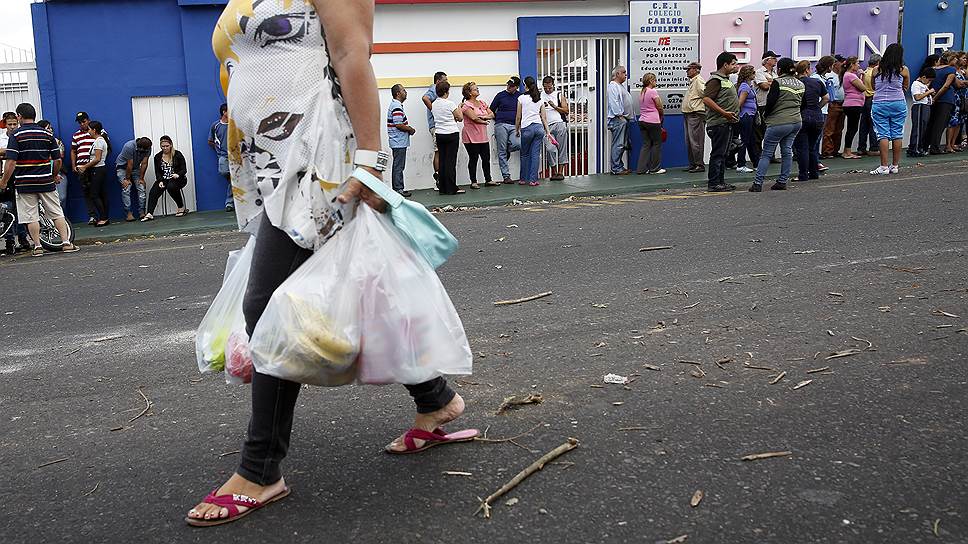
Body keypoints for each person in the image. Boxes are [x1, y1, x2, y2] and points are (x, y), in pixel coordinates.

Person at [193, 0, 472, 526]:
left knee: (268, 304)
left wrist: (369, 162)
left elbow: (351, 52)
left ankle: (260, 469)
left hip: (317, 154)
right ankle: (436, 401)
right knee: (360, 290)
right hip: (271, 157)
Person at [0, 103, 79, 256]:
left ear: (19, 116)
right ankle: (66, 242)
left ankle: (37, 247)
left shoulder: (16, 135)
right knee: (56, 212)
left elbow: (10, 162)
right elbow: (57, 160)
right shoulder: (48, 135)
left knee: (31, 216)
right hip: (46, 181)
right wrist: (54, 175)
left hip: (24, 182)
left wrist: (4, 181)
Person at [751, 58, 803, 191]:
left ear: (779, 69)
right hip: (796, 121)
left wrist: (765, 116)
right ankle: (782, 181)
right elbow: (804, 104)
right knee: (787, 151)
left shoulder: (778, 82)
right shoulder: (800, 83)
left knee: (767, 153)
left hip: (778, 122)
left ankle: (758, 183)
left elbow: (771, 101)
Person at [868, 43, 911, 175]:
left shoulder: (876, 69)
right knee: (897, 134)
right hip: (898, 102)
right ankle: (895, 165)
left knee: (883, 134)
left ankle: (883, 166)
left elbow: (873, 86)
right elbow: (906, 86)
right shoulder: (903, 70)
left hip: (880, 103)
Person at [703, 52, 741, 192]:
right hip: (720, 123)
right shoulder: (716, 80)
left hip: (726, 123)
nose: (736, 66)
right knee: (718, 153)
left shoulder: (726, 79)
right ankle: (714, 183)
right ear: (725, 65)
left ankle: (720, 182)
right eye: (733, 64)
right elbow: (707, 99)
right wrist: (724, 113)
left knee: (723, 153)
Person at [0, 111, 30, 253]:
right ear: (5, 125)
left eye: (14, 124)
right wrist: (10, 151)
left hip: (19, 175)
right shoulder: (2, 138)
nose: (12, 127)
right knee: (7, 209)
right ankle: (9, 241)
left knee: (20, 209)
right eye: (9, 124)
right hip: (6, 176)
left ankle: (23, 238)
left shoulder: (19, 136)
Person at [924, 51, 964, 155]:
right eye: (955, 59)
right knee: (940, 124)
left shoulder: (933, 69)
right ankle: (935, 148)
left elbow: (928, 83)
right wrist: (936, 98)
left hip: (932, 98)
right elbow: (947, 86)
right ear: (951, 60)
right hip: (946, 100)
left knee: (931, 123)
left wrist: (932, 96)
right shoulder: (951, 70)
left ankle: (924, 146)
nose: (957, 60)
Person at [516, 76, 553, 186]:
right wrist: (548, 132)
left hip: (526, 128)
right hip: (539, 128)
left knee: (524, 155)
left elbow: (518, 116)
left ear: (525, 85)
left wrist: (516, 129)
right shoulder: (539, 99)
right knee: (535, 155)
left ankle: (523, 179)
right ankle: (533, 180)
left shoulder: (521, 98)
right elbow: (544, 118)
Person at [794, 60, 828, 182]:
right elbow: (826, 98)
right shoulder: (817, 82)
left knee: (802, 147)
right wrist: (817, 107)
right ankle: (814, 172)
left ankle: (803, 174)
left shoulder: (796, 83)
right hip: (817, 116)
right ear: (807, 70)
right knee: (812, 146)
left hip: (802, 116)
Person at [460, 82, 497, 189]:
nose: (477, 90)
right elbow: (474, 118)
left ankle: (488, 179)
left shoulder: (481, 103)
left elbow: (492, 114)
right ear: (469, 92)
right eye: (475, 89)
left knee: (486, 158)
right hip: (471, 136)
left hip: (482, 136)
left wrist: (484, 118)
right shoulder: (466, 105)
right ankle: (473, 181)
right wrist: (484, 119)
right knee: (473, 158)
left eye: (477, 88)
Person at [142, 135, 187, 220]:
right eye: (163, 146)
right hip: (164, 179)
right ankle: (149, 213)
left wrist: (178, 174)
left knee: (171, 187)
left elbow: (184, 169)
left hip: (178, 178)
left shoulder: (177, 154)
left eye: (167, 146)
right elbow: (158, 172)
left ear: (171, 145)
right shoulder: (158, 157)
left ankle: (181, 207)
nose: (165, 148)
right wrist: (160, 181)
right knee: (154, 191)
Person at [432, 81, 464, 195]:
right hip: (451, 133)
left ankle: (443, 187)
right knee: (450, 162)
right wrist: (459, 107)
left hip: (439, 133)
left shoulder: (434, 104)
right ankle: (451, 188)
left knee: (442, 161)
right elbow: (460, 117)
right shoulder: (450, 104)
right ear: (446, 91)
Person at [490, 77, 522, 184]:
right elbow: (491, 109)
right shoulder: (500, 95)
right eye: (508, 85)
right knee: (501, 151)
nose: (509, 87)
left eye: (511, 86)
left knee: (517, 144)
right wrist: (498, 118)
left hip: (514, 125)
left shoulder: (520, 96)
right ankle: (506, 176)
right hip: (501, 124)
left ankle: (508, 149)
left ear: (516, 87)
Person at [77, 121, 110, 226]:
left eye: (89, 129)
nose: (88, 132)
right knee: (101, 194)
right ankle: (104, 217)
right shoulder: (99, 141)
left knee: (94, 195)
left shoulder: (98, 142)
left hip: (98, 170)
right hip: (98, 170)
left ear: (94, 130)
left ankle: (103, 217)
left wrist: (84, 167)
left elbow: (97, 159)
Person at [387, 84, 416, 197]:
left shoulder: (396, 105)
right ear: (398, 93)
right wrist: (410, 129)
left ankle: (397, 188)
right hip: (398, 141)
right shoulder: (397, 107)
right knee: (398, 166)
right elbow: (398, 124)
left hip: (398, 141)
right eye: (404, 90)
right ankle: (398, 189)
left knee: (398, 165)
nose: (406, 92)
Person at [115, 137, 151, 221]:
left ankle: (142, 212)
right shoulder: (129, 146)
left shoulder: (148, 147)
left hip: (135, 168)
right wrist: (127, 179)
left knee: (141, 188)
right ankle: (128, 213)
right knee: (126, 188)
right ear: (139, 147)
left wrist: (141, 178)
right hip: (122, 167)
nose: (143, 152)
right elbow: (129, 164)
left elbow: (144, 163)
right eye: (141, 150)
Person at [636, 72, 665, 175]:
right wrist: (661, 114)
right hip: (653, 121)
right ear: (651, 81)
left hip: (642, 121)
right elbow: (659, 106)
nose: (656, 82)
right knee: (657, 144)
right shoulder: (652, 91)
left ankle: (641, 169)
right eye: (655, 80)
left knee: (646, 144)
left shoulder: (642, 92)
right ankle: (655, 168)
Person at [541, 76, 570, 181]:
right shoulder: (540, 96)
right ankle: (553, 171)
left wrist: (554, 106)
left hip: (559, 124)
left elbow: (566, 110)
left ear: (553, 85)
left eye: (549, 87)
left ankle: (560, 172)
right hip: (546, 126)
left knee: (562, 148)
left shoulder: (559, 95)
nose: (548, 90)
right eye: (545, 88)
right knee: (550, 148)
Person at [607, 66, 634, 175]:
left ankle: (619, 167)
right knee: (618, 144)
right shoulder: (613, 86)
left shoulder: (620, 86)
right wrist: (620, 115)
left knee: (621, 144)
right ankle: (616, 168)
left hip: (622, 119)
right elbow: (614, 102)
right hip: (618, 119)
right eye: (623, 72)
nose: (625, 75)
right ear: (617, 74)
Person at [811, 56, 836, 172]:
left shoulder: (822, 77)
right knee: (816, 138)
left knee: (818, 138)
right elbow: (825, 98)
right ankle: (814, 162)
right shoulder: (817, 79)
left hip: (823, 111)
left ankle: (816, 161)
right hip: (820, 111)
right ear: (829, 66)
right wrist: (818, 108)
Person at [37, 120, 69, 209]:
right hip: (43, 173)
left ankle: (61, 218)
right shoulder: (36, 142)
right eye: (48, 128)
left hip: (58, 171)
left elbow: (60, 155)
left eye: (51, 128)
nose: (51, 130)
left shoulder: (57, 141)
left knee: (62, 197)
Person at [840, 57, 868, 160]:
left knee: (852, 128)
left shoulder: (850, 75)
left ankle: (847, 151)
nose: (859, 65)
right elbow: (863, 88)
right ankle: (847, 151)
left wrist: (862, 76)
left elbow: (862, 86)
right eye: (857, 63)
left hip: (853, 104)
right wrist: (861, 75)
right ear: (852, 65)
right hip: (853, 105)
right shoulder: (850, 76)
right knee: (852, 128)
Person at [422, 71, 447, 185]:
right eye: (444, 80)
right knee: (438, 152)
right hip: (436, 126)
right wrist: (434, 111)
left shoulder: (438, 90)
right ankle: (438, 178)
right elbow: (425, 98)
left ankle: (442, 177)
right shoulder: (433, 89)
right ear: (438, 81)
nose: (446, 82)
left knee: (442, 152)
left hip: (440, 125)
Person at [681, 62, 706, 173]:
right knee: (690, 141)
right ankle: (693, 164)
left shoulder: (698, 80)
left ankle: (699, 165)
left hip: (695, 113)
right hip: (689, 113)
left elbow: (705, 94)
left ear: (696, 70)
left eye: (689, 69)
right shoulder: (693, 81)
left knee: (695, 141)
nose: (687, 71)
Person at [209, 104, 235, 212]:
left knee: (234, 179)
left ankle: (229, 202)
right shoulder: (215, 125)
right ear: (224, 112)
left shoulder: (235, 124)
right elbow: (210, 141)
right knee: (224, 172)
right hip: (223, 156)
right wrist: (219, 151)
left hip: (235, 156)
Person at [754, 51, 779, 161]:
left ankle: (771, 155)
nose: (776, 60)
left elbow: (778, 86)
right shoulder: (759, 72)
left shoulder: (775, 73)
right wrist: (773, 83)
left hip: (773, 104)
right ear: (767, 60)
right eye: (773, 58)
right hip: (762, 104)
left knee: (772, 130)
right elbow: (764, 86)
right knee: (760, 131)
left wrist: (770, 81)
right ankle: (759, 155)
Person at [735, 65, 759, 174]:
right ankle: (741, 164)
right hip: (746, 115)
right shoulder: (745, 87)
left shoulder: (749, 86)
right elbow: (740, 103)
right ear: (748, 74)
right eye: (753, 72)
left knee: (751, 139)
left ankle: (755, 162)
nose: (754, 74)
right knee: (745, 140)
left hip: (750, 115)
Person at [822, 55, 847, 158]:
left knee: (839, 129)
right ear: (835, 64)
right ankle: (827, 151)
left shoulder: (843, 75)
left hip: (843, 103)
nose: (843, 64)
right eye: (841, 62)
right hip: (833, 103)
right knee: (829, 128)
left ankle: (835, 150)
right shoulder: (829, 75)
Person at [857, 54, 882, 156]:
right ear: (878, 63)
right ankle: (874, 147)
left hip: (864, 99)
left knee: (864, 125)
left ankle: (861, 148)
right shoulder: (875, 73)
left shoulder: (864, 72)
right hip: (873, 98)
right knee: (873, 124)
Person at [909, 68, 936, 157]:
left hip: (926, 107)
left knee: (923, 128)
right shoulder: (916, 84)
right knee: (918, 128)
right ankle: (914, 148)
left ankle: (920, 148)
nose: (929, 82)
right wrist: (929, 92)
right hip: (920, 106)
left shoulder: (923, 85)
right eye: (928, 80)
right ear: (923, 77)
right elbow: (917, 97)